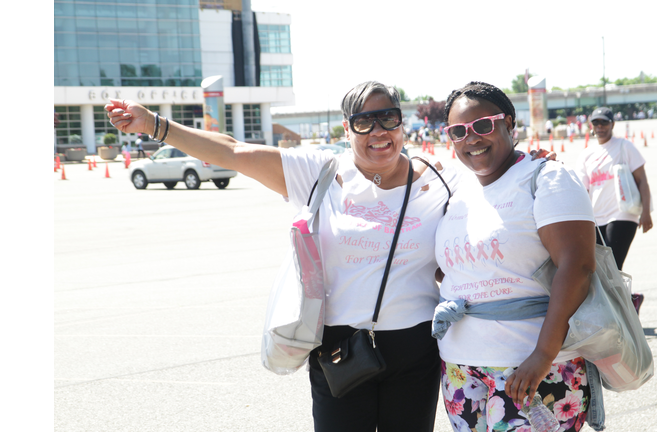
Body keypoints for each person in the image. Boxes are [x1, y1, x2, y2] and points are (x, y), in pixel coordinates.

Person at [106, 82, 466, 432]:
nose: (378, 131)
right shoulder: (320, 173)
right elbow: (232, 152)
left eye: (388, 118)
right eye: (363, 121)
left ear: (401, 122)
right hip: (340, 347)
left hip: (416, 349)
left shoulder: (440, 180)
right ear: (346, 128)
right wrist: (154, 124)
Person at [434, 82, 600, 432]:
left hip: (531, 366)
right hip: (461, 367)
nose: (472, 138)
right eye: (458, 131)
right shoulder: (458, 191)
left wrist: (543, 355)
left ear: (509, 123)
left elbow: (578, 267)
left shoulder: (547, 177)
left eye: (483, 125)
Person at [575, 107, 652, 313]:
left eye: (604, 123)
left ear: (612, 124)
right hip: (596, 217)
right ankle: (630, 300)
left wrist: (646, 212)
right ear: (591, 126)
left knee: (613, 266)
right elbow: (583, 189)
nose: (600, 127)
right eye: (596, 123)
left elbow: (642, 180)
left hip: (623, 213)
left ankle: (620, 311)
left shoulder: (624, 147)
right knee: (600, 269)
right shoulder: (586, 155)